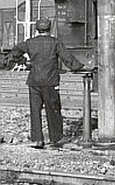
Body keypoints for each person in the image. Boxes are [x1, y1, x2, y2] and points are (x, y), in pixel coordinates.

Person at [10, 18, 84, 149]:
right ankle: (56, 138)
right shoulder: (55, 43)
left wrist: (21, 61)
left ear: (36, 29)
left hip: (34, 81)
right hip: (50, 81)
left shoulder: (30, 43)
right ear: (49, 29)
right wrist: (79, 67)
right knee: (53, 110)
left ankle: (37, 139)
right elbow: (68, 59)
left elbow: (15, 51)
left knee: (35, 110)